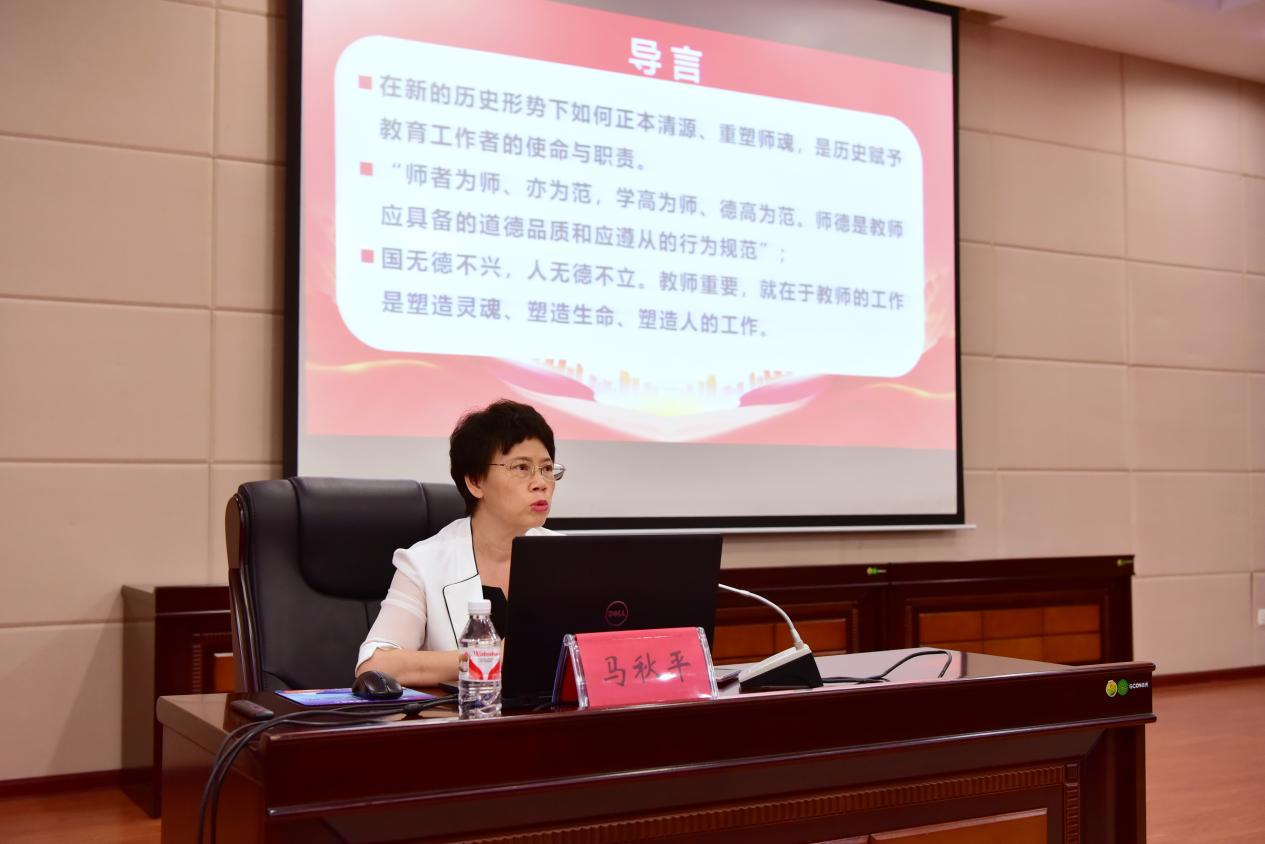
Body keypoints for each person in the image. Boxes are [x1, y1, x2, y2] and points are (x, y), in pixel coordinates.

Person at [354, 399, 565, 686]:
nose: (541, 482)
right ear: (475, 481)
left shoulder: (567, 557)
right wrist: (488, 657)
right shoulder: (424, 563)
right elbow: (376, 664)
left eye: (547, 468)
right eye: (521, 468)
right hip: (466, 713)